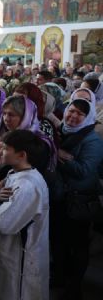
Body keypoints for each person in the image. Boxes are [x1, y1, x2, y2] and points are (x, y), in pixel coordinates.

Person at [0, 130, 50, 300]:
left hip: (19, 261)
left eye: (5, 148)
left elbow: (4, 223)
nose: (0, 151)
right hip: (6, 253)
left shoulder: (27, 186)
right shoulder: (14, 173)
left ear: (21, 155)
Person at [51, 98, 103, 299]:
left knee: (78, 246)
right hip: (60, 196)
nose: (73, 116)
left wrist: (60, 156)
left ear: (87, 118)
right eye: (71, 111)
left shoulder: (92, 140)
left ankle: (75, 288)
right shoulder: (61, 131)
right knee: (58, 240)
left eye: (80, 114)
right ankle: (59, 277)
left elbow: (84, 171)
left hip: (79, 200)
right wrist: (63, 156)